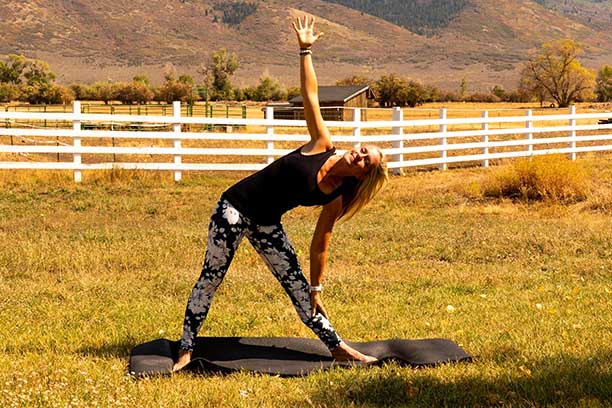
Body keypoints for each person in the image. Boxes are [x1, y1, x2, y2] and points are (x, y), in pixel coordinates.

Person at [173, 15, 388, 372]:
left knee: (298, 286)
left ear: (363, 173)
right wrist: (305, 50)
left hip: (266, 223)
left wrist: (317, 287)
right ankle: (185, 348)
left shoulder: (336, 194)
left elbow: (321, 241)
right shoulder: (323, 144)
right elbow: (311, 96)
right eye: (364, 148)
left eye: (367, 159)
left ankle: (338, 347)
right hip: (233, 209)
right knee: (211, 278)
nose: (360, 153)